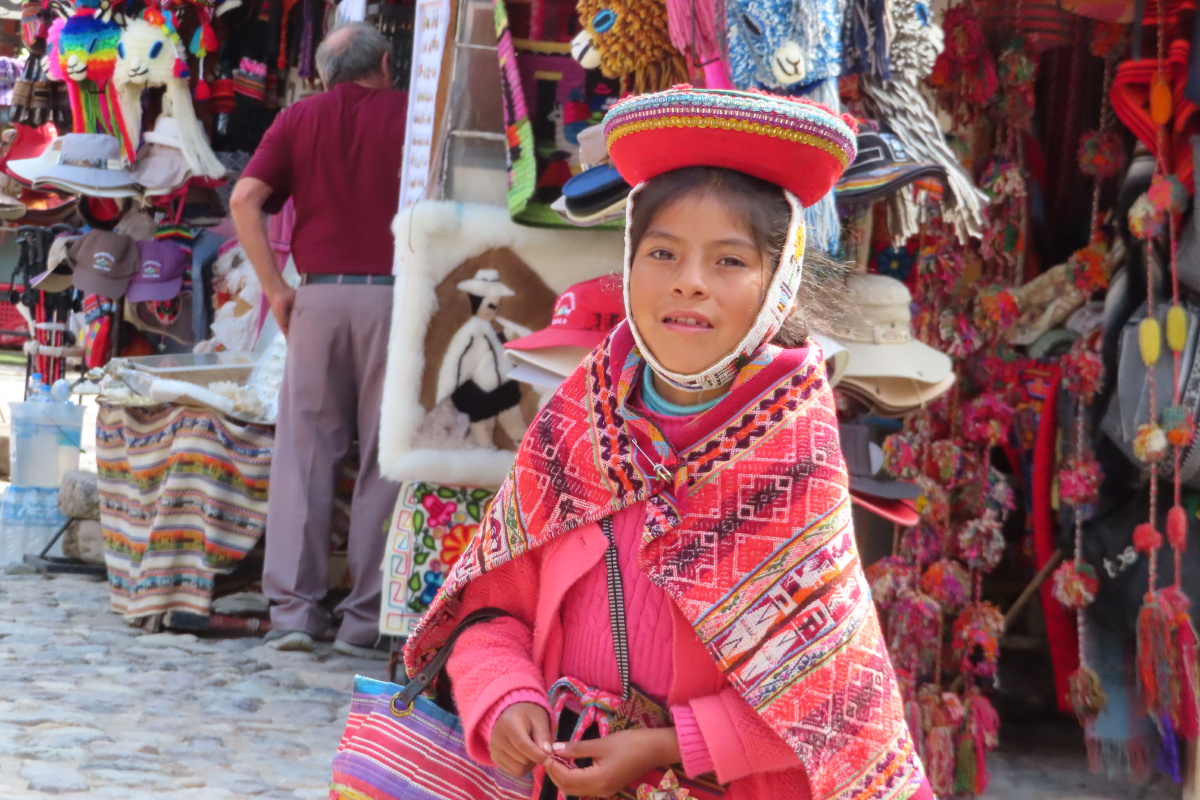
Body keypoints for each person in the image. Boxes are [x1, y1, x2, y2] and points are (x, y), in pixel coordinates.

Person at [403, 87, 933, 799]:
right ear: (628, 263)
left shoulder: (790, 456)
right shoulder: (577, 422)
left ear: (778, 283)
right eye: (663, 252)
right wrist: (505, 697)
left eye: (728, 262)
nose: (689, 284)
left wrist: (670, 746)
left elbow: (828, 700)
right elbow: (492, 611)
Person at [229, 21, 406, 658]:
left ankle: (295, 615)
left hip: (319, 298)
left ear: (326, 75)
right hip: (398, 299)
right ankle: (365, 619)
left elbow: (246, 198)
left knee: (304, 456)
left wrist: (276, 287)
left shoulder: (300, 118)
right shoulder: (414, 118)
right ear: (387, 63)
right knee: (388, 458)